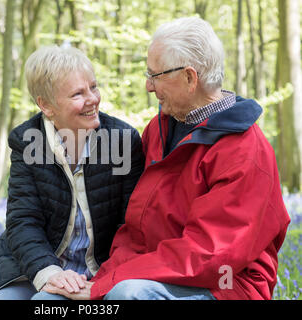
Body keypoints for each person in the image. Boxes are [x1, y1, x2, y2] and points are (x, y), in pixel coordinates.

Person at [43, 17, 291, 300]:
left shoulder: (245, 152)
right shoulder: (159, 129)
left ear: (189, 77)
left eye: (155, 75)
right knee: (48, 302)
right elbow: (135, 232)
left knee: (128, 296)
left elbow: (210, 256)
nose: (149, 86)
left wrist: (108, 283)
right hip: (150, 272)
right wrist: (99, 280)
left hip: (226, 284)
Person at [0, 45, 144, 300]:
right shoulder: (27, 141)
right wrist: (49, 272)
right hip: (37, 265)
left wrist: (103, 280)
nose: (92, 99)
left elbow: (131, 226)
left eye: (93, 87)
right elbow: (23, 221)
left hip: (102, 271)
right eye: (77, 94)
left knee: (46, 304)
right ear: (46, 105)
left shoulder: (123, 140)